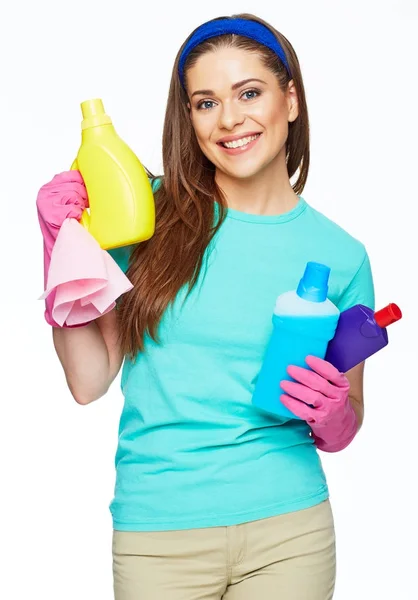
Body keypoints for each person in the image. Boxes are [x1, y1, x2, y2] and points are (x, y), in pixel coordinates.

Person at [36, 13, 375, 600]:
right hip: (160, 536)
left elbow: (346, 425)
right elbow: (88, 380)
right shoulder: (146, 216)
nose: (230, 120)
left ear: (289, 100)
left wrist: (331, 413)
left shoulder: (342, 255)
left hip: (290, 533)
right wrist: (59, 249)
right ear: (188, 117)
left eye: (249, 93)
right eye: (205, 102)